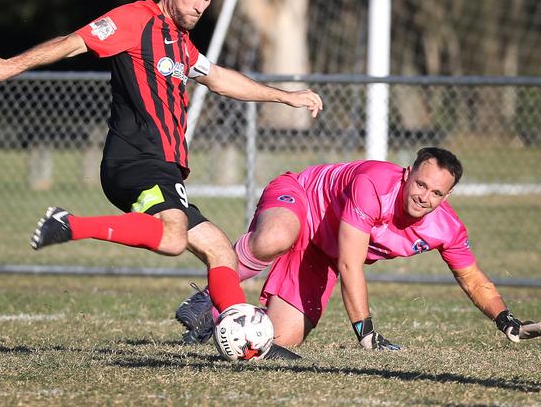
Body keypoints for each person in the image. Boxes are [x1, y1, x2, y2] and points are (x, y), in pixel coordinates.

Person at [0, 0, 322, 358]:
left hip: (162, 167)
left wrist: (284, 96)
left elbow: (221, 79)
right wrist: (10, 66)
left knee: (220, 249)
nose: (199, 6)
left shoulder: (179, 40)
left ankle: (250, 343)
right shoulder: (133, 20)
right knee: (173, 238)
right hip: (135, 160)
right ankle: (69, 224)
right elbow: (74, 43)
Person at [176, 147, 541, 353]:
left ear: (448, 196)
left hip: (321, 252)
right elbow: (350, 264)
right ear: (406, 173)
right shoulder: (373, 185)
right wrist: (366, 332)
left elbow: (472, 279)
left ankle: (223, 320)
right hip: (301, 199)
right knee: (275, 238)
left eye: (436, 193)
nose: (424, 197)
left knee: (274, 343)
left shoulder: (447, 227)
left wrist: (505, 320)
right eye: (420, 184)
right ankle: (210, 295)